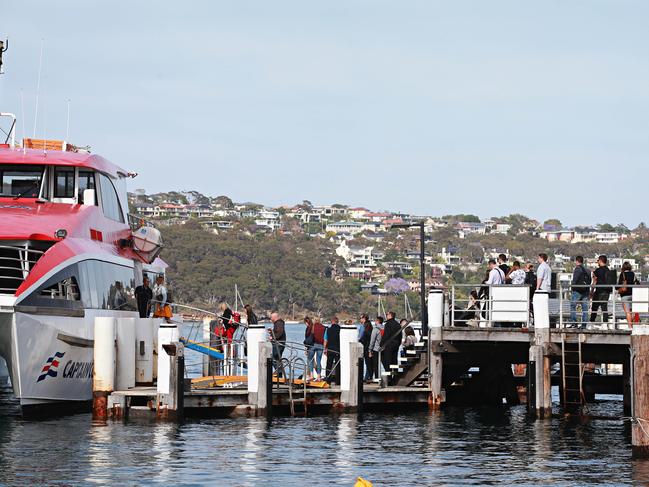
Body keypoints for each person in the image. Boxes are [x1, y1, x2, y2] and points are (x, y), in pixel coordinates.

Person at [570, 256, 590, 327]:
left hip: (577, 291)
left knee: (573, 305)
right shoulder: (587, 270)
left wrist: (572, 288)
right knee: (585, 308)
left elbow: (575, 280)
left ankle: (574, 323)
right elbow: (589, 281)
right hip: (585, 291)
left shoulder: (577, 269)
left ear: (577, 261)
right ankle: (584, 325)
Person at [590, 255, 611, 324]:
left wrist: (591, 292)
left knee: (594, 308)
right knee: (604, 308)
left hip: (599, 292)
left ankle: (591, 323)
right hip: (606, 292)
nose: (597, 262)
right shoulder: (608, 270)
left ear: (600, 261)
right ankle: (605, 324)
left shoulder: (597, 270)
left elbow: (594, 281)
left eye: (598, 261)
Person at [324, 316, 341, 385]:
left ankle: (328, 380)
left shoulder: (328, 330)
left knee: (329, 364)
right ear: (337, 322)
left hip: (330, 349)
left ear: (332, 321)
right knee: (338, 365)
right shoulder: (340, 329)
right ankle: (338, 380)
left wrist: (325, 349)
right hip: (337, 349)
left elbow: (325, 340)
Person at [270, 312, 287, 377]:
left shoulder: (279, 323)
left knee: (273, 357)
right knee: (277, 358)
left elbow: (279, 333)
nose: (271, 319)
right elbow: (278, 332)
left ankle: (279, 371)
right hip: (279, 343)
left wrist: (273, 336)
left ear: (274, 317)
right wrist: (272, 332)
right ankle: (279, 374)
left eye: (271, 317)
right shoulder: (278, 323)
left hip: (279, 343)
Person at [367, 317, 383, 381]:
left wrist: (370, 350)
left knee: (375, 365)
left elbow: (372, 340)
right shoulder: (385, 328)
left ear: (377, 321)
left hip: (376, 349)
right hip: (384, 348)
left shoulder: (375, 329)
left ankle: (376, 378)